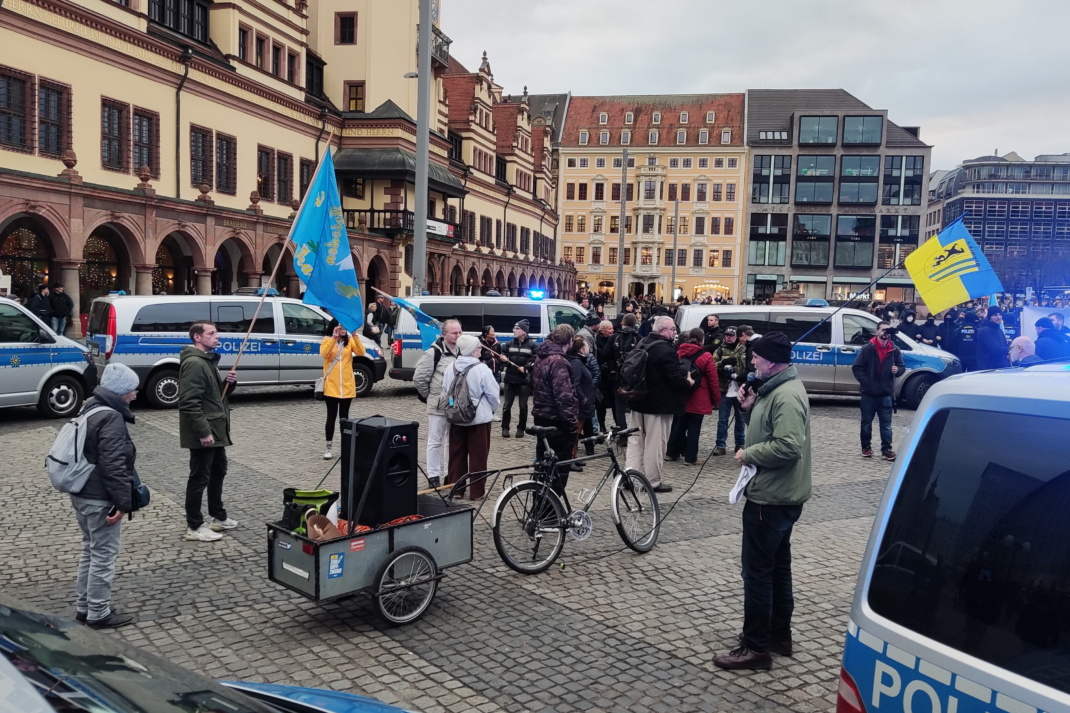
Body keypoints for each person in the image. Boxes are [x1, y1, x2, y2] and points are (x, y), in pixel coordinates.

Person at [714, 332, 812, 671]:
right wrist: (748, 410)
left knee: (757, 573)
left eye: (756, 356)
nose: (752, 360)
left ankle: (756, 647)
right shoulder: (775, 390)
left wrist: (748, 454)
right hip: (779, 494)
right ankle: (777, 635)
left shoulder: (786, 395)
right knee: (777, 568)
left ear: (771, 361)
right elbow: (767, 431)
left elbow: (788, 446)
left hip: (771, 498)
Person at [69, 363, 140, 629]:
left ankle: (84, 607)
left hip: (81, 492)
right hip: (99, 497)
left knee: (90, 549)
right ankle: (98, 613)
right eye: (132, 389)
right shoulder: (111, 417)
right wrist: (122, 504)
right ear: (121, 390)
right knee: (103, 555)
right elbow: (113, 465)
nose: (135, 394)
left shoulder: (90, 407)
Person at [178, 321, 239, 542]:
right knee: (199, 477)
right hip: (206, 432)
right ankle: (194, 526)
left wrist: (228, 385)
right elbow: (189, 402)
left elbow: (214, 397)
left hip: (216, 429)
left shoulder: (207, 360)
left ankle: (218, 516)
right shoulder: (195, 363)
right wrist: (204, 432)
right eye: (211, 333)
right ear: (197, 337)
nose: (217, 336)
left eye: (216, 333)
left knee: (218, 470)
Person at [624, 315, 693, 494]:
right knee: (655, 445)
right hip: (658, 405)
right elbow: (675, 380)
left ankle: (630, 477)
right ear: (662, 331)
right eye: (672, 329)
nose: (675, 332)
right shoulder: (665, 349)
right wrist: (688, 382)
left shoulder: (642, 342)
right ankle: (652, 482)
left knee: (635, 442)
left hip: (637, 401)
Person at [442, 334, 500, 500]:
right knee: (478, 456)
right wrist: (491, 410)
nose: (481, 349)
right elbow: (493, 394)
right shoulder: (481, 369)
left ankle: (457, 489)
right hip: (478, 419)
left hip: (456, 417)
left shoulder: (451, 367)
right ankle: (477, 491)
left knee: (456, 454)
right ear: (472, 351)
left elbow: (445, 390)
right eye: (478, 347)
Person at [531, 325, 580, 495]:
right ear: (570, 340)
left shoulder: (541, 356)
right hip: (556, 420)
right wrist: (572, 423)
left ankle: (540, 505)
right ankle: (550, 508)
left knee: (543, 465)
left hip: (541, 415)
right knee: (557, 470)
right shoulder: (558, 361)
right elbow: (563, 396)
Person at [413, 318, 462, 488]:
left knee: (451, 441)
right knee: (435, 441)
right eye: (454, 333)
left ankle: (449, 474)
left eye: (460, 332)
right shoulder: (433, 353)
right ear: (444, 334)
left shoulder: (462, 352)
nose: (458, 335)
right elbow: (419, 379)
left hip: (456, 405)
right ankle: (433, 476)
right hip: (438, 405)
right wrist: (430, 397)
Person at [851, 321, 905, 460]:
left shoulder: (894, 349)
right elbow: (857, 367)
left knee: (886, 425)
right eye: (883, 330)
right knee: (866, 423)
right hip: (869, 393)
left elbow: (901, 367)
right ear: (877, 331)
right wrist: (866, 382)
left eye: (888, 330)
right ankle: (866, 448)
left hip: (886, 393)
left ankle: (886, 449)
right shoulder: (868, 348)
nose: (886, 333)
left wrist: (897, 370)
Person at [666, 328, 720, 465]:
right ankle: (690, 458)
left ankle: (671, 452)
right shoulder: (706, 356)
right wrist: (716, 400)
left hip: (682, 395)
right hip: (699, 397)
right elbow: (713, 380)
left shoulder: (679, 353)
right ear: (702, 340)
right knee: (694, 428)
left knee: (679, 426)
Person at [320, 323, 366, 460]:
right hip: (331, 387)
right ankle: (328, 446)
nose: (343, 330)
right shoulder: (327, 340)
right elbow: (324, 354)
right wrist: (334, 338)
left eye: (345, 327)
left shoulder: (349, 341)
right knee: (331, 416)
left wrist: (355, 335)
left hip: (346, 386)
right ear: (334, 328)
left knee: (344, 418)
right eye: (341, 327)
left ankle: (346, 447)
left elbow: (361, 352)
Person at [499, 319, 537, 438]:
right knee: (507, 405)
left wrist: (526, 368)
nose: (514, 330)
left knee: (523, 406)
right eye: (514, 328)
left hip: (524, 380)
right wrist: (504, 360)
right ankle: (505, 427)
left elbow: (535, 360)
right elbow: (504, 359)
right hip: (510, 379)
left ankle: (521, 428)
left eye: (517, 328)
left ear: (524, 331)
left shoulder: (532, 345)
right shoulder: (509, 344)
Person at [713, 327, 747, 456]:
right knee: (722, 419)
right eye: (727, 335)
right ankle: (720, 445)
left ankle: (740, 444)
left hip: (740, 389)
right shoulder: (720, 350)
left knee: (740, 419)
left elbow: (748, 367)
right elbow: (712, 365)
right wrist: (722, 364)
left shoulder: (743, 349)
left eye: (731, 335)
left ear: (736, 336)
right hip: (724, 389)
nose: (729, 337)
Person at [567, 335, 597, 468]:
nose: (589, 348)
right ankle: (570, 458)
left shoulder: (579, 362)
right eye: (587, 346)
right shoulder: (577, 363)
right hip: (580, 405)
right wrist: (583, 399)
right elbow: (575, 383)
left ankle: (574, 457)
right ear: (581, 350)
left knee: (577, 432)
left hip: (584, 404)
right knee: (575, 432)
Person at [594, 320, 617, 433]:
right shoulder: (596, 341)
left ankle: (618, 425)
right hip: (602, 376)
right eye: (609, 329)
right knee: (601, 404)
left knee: (614, 402)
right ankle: (602, 425)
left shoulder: (614, 340)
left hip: (611, 376)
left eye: (612, 328)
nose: (612, 331)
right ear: (602, 330)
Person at [976, 306, 1010, 370]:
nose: (998, 317)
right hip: (988, 369)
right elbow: (995, 349)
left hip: (1000, 368)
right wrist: (1011, 350)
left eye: (1000, 315)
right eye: (995, 315)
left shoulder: (999, 330)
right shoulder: (984, 331)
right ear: (990, 317)